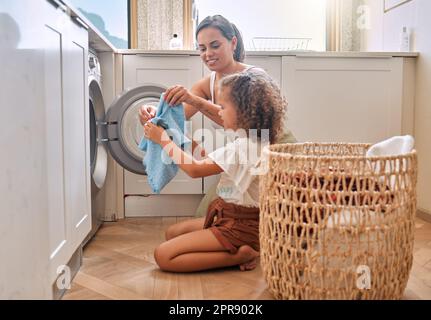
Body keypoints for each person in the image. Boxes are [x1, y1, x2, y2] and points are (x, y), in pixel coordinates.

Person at [139, 14, 297, 216]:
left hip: (275, 146)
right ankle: (243, 242)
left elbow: (245, 122)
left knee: (277, 207)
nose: (208, 54)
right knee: (206, 214)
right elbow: (178, 117)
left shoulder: (254, 78)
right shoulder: (207, 83)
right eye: (202, 48)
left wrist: (194, 99)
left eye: (215, 45)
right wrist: (153, 112)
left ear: (232, 43)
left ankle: (255, 241)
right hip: (246, 154)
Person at [142, 70, 286, 272]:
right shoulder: (253, 140)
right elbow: (204, 157)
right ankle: (241, 248)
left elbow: (194, 169)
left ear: (244, 111)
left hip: (241, 225)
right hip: (233, 217)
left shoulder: (245, 147)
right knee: (173, 233)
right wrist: (175, 136)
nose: (218, 111)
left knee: (164, 255)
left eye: (223, 107)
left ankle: (241, 253)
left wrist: (163, 139)